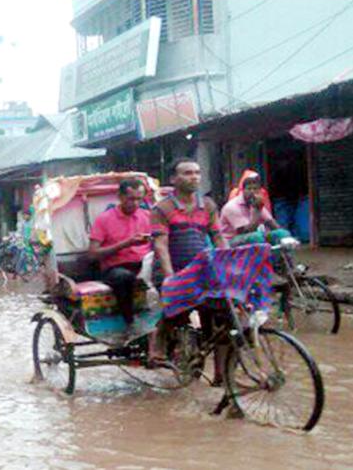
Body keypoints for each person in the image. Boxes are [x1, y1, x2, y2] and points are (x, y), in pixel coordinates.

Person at [152, 158, 228, 381]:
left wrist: (228, 263)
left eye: (196, 172)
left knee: (221, 317)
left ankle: (221, 375)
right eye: (187, 173)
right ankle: (159, 340)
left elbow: (218, 237)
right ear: (173, 179)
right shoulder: (162, 208)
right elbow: (160, 244)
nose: (194, 177)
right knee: (177, 310)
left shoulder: (208, 205)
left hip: (201, 269)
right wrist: (170, 277)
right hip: (173, 270)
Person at [88, 179, 152, 332]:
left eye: (139, 199)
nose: (135, 203)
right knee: (124, 277)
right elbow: (92, 254)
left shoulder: (147, 216)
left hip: (144, 263)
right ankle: (130, 322)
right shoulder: (104, 219)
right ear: (120, 197)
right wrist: (126, 244)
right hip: (115, 268)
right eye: (131, 199)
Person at [221, 171, 287, 246]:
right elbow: (247, 231)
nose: (252, 192)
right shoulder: (232, 207)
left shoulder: (256, 202)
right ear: (243, 190)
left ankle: (281, 253)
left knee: (282, 233)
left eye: (255, 189)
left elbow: (272, 224)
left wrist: (283, 236)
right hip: (231, 240)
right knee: (256, 237)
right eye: (249, 189)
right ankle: (263, 253)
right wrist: (256, 210)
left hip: (252, 235)